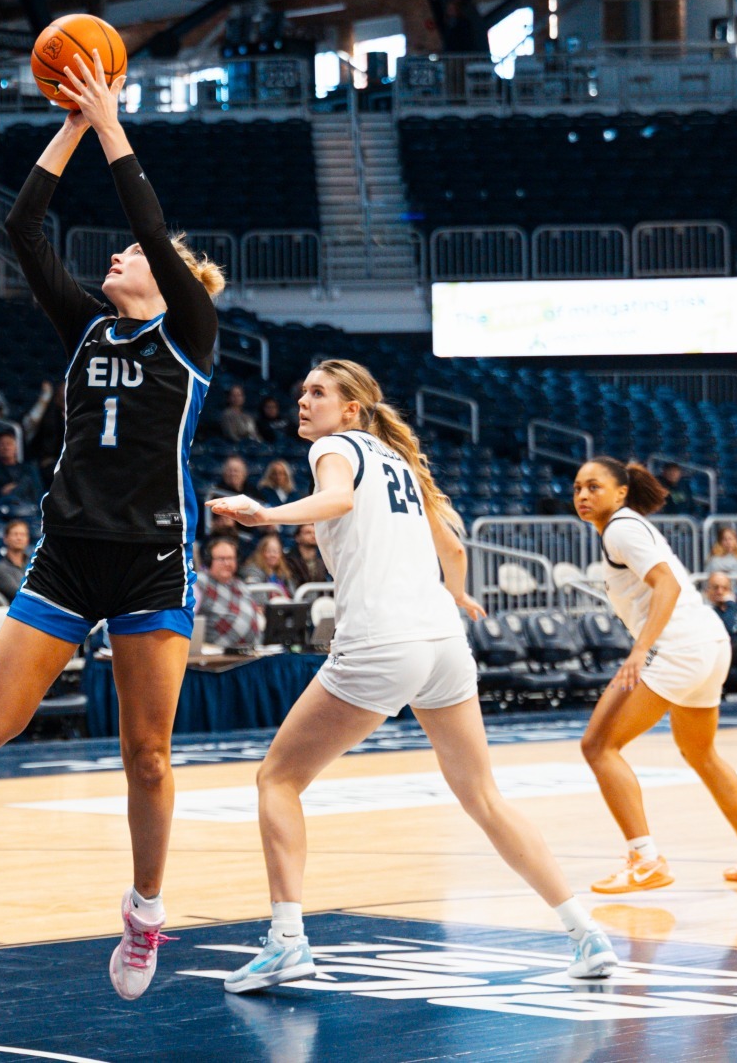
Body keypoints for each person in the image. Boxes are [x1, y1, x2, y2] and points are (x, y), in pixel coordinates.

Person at [206, 361, 617, 990]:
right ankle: (585, 934)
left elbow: (338, 498)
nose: (304, 401)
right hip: (443, 643)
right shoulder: (400, 462)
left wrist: (265, 515)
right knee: (483, 796)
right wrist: (458, 595)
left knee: (278, 779)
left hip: (382, 642)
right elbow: (454, 548)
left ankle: (288, 941)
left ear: (350, 410)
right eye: (302, 390)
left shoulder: (335, 449)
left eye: (318, 391)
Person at [0, 56, 227, 1002]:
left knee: (147, 755)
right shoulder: (85, 330)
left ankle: (146, 912)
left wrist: (116, 122)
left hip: (154, 562)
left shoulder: (188, 334)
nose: (114, 255)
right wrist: (73, 123)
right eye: (115, 254)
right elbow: (21, 227)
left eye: (130, 256)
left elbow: (151, 227)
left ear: (165, 279)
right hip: (69, 555)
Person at [570, 456, 737, 894]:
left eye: (593, 487)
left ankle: (645, 860)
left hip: (678, 647)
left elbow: (666, 584)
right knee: (700, 753)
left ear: (621, 492)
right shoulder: (627, 527)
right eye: (577, 489)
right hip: (708, 642)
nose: (583, 496)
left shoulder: (622, 529)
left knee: (598, 746)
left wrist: (640, 649)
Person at [192, 536, 262, 648]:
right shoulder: (199, 583)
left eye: (230, 558)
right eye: (221, 559)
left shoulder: (241, 585)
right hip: (215, 656)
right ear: (209, 561)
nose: (227, 563)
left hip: (249, 652)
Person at [0, 431, 42, 503]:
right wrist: (1, 491)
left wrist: (16, 488)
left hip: (26, 506)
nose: (5, 447)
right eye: (2, 444)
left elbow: (37, 489)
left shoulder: (29, 468)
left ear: (16, 448)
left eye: (9, 444)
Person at [0, 519, 32, 601]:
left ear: (27, 540)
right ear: (6, 539)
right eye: (15, 534)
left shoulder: (33, 565)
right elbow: (18, 592)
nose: (19, 538)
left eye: (23, 534)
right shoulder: (1, 569)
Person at [287, 520, 330, 586]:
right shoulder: (289, 561)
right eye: (308, 533)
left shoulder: (323, 561)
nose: (313, 536)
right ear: (297, 537)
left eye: (314, 533)